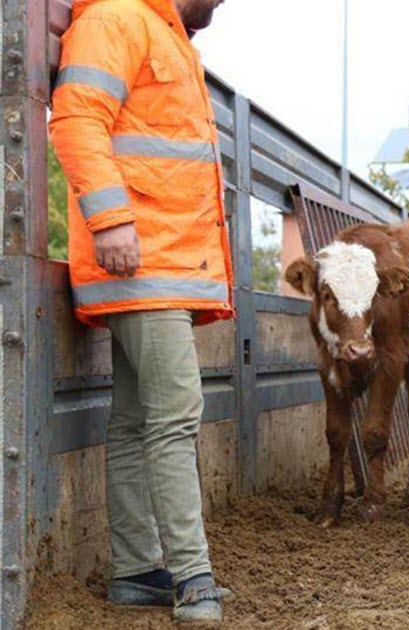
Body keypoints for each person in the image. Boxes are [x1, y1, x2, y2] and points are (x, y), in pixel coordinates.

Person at [50, 0, 232, 624]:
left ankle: (137, 573)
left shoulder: (163, 33)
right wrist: (111, 219)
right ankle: (192, 577)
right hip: (141, 257)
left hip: (161, 261)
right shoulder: (117, 18)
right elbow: (75, 120)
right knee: (177, 415)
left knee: (134, 420)